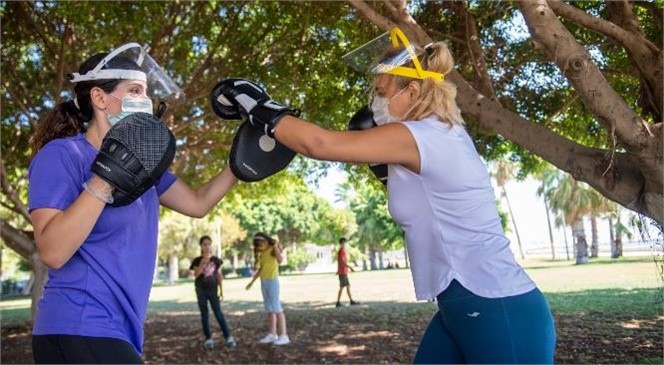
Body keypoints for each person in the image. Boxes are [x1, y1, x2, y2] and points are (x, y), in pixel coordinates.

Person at [215, 28, 556, 363]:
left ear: (411, 90)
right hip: (462, 308)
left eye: (380, 91)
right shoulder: (436, 137)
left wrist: (253, 102)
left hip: (498, 307)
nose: (374, 102)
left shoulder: (423, 135)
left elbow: (320, 144)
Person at [28, 43, 238, 363]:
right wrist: (105, 176)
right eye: (136, 90)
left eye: (147, 92)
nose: (146, 101)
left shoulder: (144, 166)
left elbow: (197, 203)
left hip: (119, 329)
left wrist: (241, 162)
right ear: (99, 98)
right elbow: (53, 252)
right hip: (77, 323)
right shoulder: (61, 155)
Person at [189, 235, 236, 349]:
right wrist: (202, 263)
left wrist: (221, 290)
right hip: (201, 290)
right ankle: (209, 339)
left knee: (218, 313)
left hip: (213, 290)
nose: (207, 246)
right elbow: (196, 274)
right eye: (204, 244)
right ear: (201, 246)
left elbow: (219, 275)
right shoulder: (197, 260)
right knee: (204, 314)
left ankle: (228, 337)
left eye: (209, 244)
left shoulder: (216, 260)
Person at [245, 232, 290, 345]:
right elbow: (261, 270)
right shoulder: (262, 254)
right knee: (269, 309)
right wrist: (252, 282)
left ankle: (284, 335)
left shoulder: (272, 250)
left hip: (272, 282)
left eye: (262, 242)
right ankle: (272, 334)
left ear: (266, 241)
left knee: (277, 308)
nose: (260, 245)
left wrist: (275, 247)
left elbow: (280, 260)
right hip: (264, 282)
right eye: (258, 244)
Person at [335, 237, 360, 308]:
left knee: (347, 286)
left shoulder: (342, 251)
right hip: (342, 272)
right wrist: (350, 267)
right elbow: (342, 262)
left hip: (343, 271)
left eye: (345, 243)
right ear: (340, 244)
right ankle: (338, 302)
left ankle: (351, 300)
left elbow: (341, 262)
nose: (344, 244)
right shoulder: (341, 252)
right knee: (342, 287)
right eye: (343, 243)